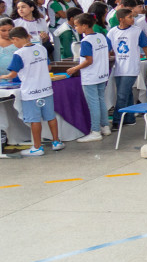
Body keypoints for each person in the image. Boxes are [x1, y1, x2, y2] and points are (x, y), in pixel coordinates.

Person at [3, 26, 63, 156]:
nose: (13, 45)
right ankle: (56, 142)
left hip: (31, 92)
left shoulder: (19, 54)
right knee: (51, 117)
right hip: (46, 89)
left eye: (13, 42)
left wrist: (3, 76)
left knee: (35, 120)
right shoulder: (41, 48)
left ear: (16, 39)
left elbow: (13, 74)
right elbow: (48, 67)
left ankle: (37, 147)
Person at [68, 13, 112, 142]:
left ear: (85, 26)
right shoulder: (101, 36)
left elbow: (89, 60)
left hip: (91, 76)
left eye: (77, 25)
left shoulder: (86, 41)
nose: (75, 28)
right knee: (101, 100)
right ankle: (105, 126)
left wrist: (75, 68)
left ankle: (95, 131)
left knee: (93, 104)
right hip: (102, 74)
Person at [107, 8, 147, 129]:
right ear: (121, 19)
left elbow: (146, 48)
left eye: (133, 16)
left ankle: (117, 120)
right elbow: (108, 48)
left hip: (131, 68)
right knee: (127, 93)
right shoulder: (112, 32)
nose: (133, 19)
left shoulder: (137, 31)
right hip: (118, 68)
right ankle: (130, 118)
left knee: (121, 95)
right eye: (130, 17)